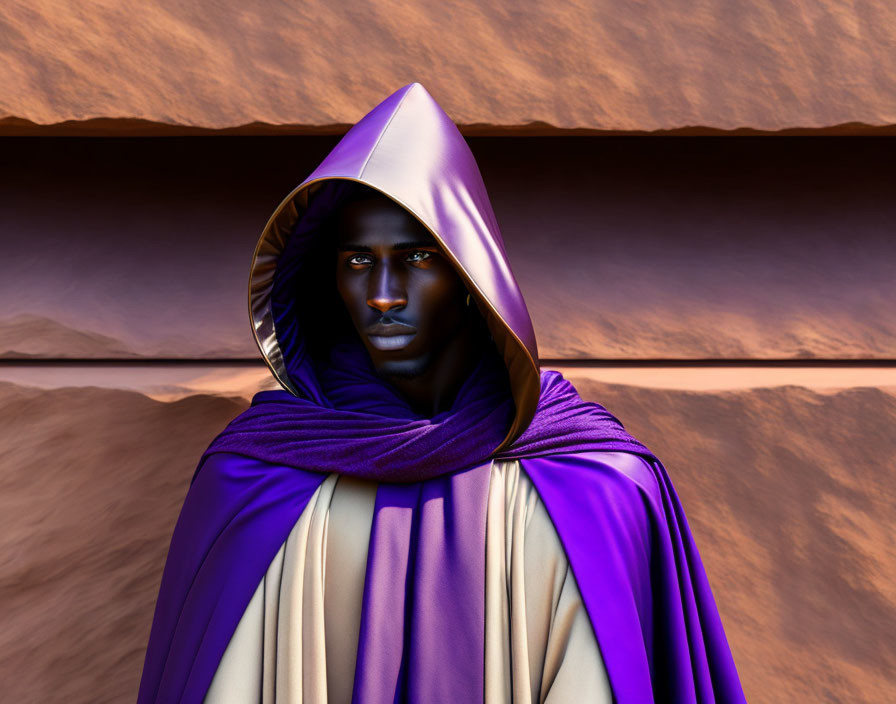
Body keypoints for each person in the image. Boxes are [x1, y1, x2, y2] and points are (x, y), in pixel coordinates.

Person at [137, 82, 747, 704]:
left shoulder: (600, 485)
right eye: (356, 262)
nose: (382, 294)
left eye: (415, 258)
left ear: (467, 273)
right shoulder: (251, 478)